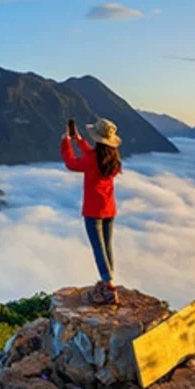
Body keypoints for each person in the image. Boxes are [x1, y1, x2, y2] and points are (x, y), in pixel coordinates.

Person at [61, 118, 123, 304]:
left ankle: (108, 287)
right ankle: (108, 281)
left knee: (98, 248)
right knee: (107, 246)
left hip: (93, 211)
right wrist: (78, 140)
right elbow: (92, 154)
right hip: (109, 209)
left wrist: (66, 141)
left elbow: (71, 163)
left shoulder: (92, 160)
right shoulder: (113, 159)